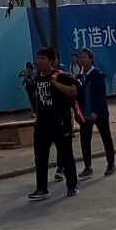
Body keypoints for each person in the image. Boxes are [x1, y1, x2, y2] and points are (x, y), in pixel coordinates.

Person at [29, 47, 80, 200]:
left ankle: (72, 186)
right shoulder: (38, 78)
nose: (39, 61)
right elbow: (38, 99)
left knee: (66, 155)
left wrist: (56, 84)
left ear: (51, 61)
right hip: (43, 125)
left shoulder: (60, 76)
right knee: (40, 157)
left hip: (60, 123)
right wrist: (37, 118)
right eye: (38, 58)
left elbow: (73, 91)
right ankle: (42, 189)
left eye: (43, 58)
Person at [76, 48, 116, 178]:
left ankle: (111, 163)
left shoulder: (97, 75)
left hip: (99, 113)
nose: (82, 60)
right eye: (81, 58)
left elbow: (100, 95)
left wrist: (95, 111)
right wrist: (78, 113)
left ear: (91, 59)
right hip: (84, 114)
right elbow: (77, 97)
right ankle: (87, 167)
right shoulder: (79, 77)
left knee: (106, 137)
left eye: (84, 57)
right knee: (85, 141)